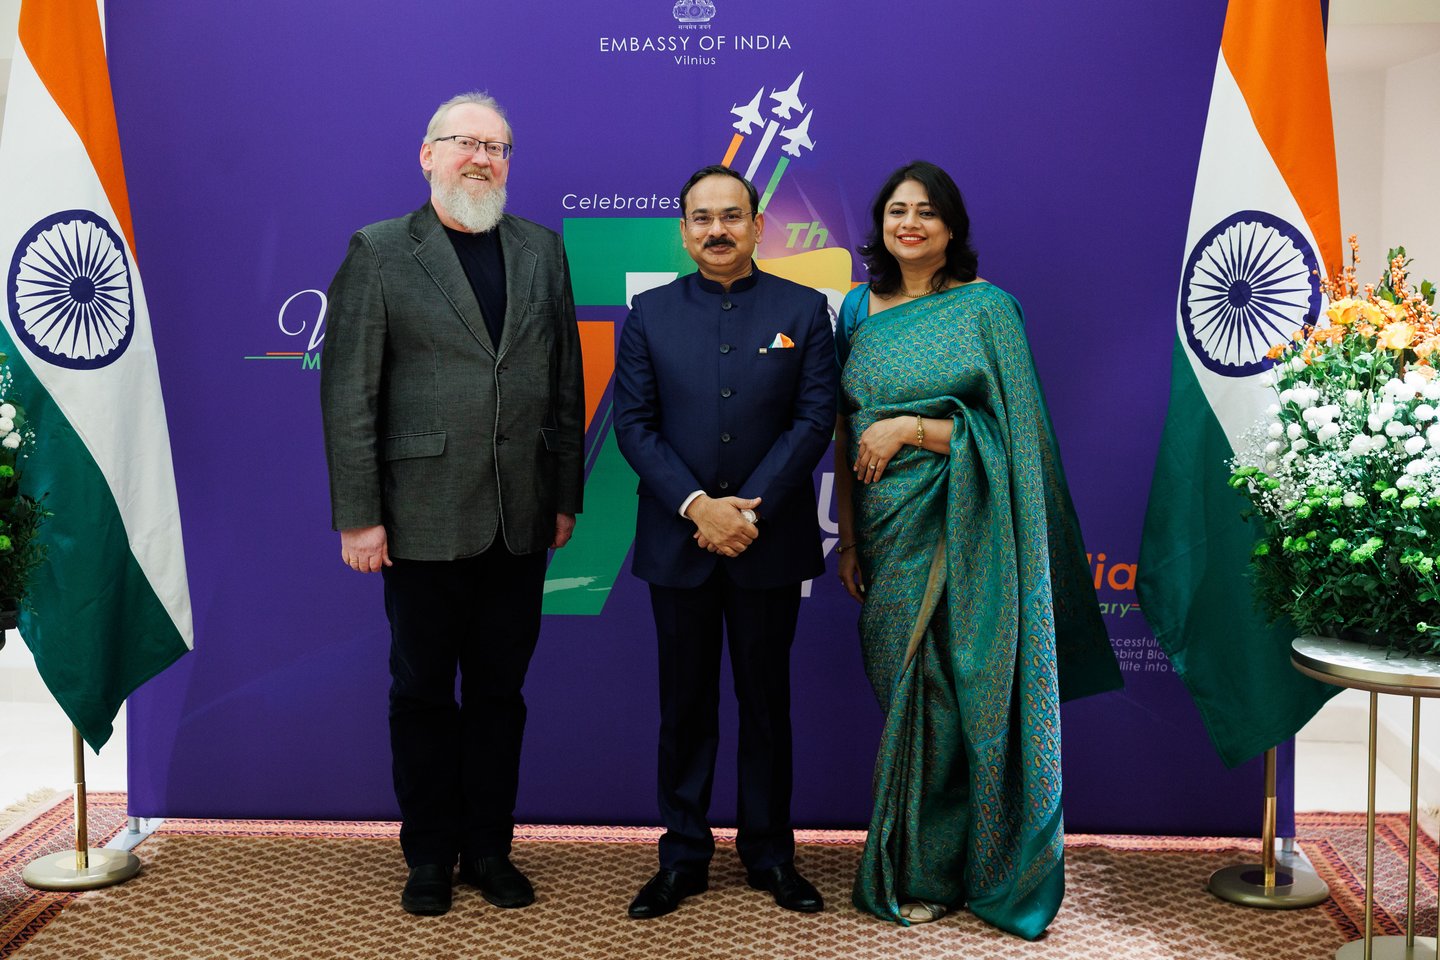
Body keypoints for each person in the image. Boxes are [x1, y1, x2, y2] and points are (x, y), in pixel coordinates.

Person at [832, 161, 1121, 938]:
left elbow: (1015, 439)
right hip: (887, 531)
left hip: (972, 528)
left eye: (927, 211)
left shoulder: (988, 309)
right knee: (908, 698)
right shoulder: (856, 309)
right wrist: (850, 536)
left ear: (951, 226)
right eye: (897, 210)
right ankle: (922, 862)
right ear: (880, 224)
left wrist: (912, 429)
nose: (910, 223)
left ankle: (962, 873)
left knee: (964, 701)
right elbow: (846, 428)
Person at [319, 91, 584, 917]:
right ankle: (430, 854)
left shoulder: (541, 249)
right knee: (423, 695)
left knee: (502, 696)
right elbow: (350, 394)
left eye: (497, 147)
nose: (482, 158)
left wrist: (564, 495)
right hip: (419, 518)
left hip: (521, 518)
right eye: (466, 142)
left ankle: (491, 849)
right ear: (427, 154)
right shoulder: (380, 251)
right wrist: (359, 515)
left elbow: (565, 381)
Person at [613, 165, 836, 919]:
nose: (717, 230)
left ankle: (771, 855)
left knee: (766, 704)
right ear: (683, 230)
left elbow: (813, 420)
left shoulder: (804, 309)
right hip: (678, 544)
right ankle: (682, 857)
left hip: (767, 545)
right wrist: (698, 508)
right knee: (684, 707)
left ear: (757, 225)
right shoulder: (648, 313)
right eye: (702, 218)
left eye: (731, 216)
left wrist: (746, 513)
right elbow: (633, 425)